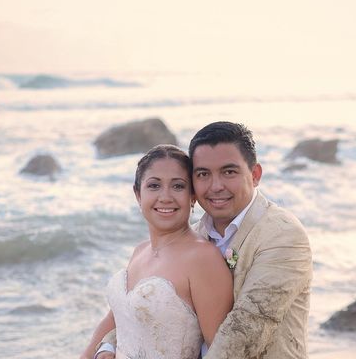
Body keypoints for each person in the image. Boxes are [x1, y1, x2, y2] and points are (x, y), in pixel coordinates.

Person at [95, 121, 313, 359]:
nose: (216, 186)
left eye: (229, 172)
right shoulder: (195, 234)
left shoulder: (283, 235)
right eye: (203, 174)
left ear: (255, 174)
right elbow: (150, 314)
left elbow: (245, 332)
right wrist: (109, 347)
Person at [80, 144, 233, 359]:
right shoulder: (140, 251)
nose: (166, 197)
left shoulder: (203, 259)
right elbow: (118, 316)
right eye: (154, 186)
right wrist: (99, 351)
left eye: (178, 186)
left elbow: (222, 351)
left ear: (193, 197)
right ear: (138, 194)